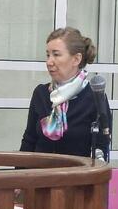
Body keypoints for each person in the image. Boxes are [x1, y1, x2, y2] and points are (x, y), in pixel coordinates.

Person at [20, 27, 110, 158]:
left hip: (77, 170)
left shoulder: (94, 97)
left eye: (56, 55)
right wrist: (20, 170)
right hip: (39, 170)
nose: (49, 62)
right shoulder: (41, 93)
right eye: (48, 55)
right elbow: (29, 140)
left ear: (76, 59)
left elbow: (101, 146)